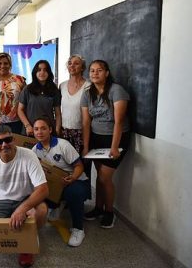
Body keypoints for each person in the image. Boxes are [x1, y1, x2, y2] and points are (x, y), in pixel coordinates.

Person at [0, 125, 48, 267]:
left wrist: (22, 209)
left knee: (40, 212)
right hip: (1, 200)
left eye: (7, 140)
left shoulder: (29, 155)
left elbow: (43, 189)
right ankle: (19, 229)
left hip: (26, 198)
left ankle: (28, 244)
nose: (4, 145)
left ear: (14, 139)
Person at [81, 60, 130, 229]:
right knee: (99, 177)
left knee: (104, 177)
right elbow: (86, 122)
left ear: (107, 73)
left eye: (99, 70)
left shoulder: (117, 91)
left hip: (116, 138)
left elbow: (119, 121)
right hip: (96, 137)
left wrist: (115, 147)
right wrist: (86, 146)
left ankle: (109, 212)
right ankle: (98, 208)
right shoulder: (87, 93)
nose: (95, 73)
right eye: (92, 71)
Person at [32, 116, 90, 247]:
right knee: (36, 189)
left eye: (43, 128)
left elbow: (79, 166)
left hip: (77, 180)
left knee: (73, 192)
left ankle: (78, 229)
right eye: (36, 129)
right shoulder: (35, 150)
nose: (39, 132)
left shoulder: (62, 145)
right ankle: (56, 205)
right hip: (56, 183)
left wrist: (73, 178)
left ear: (50, 130)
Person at [0, 52, 26, 134]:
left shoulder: (20, 80)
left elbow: (25, 102)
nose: (2, 66)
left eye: (5, 63)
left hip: (17, 123)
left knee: (17, 146)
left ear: (10, 65)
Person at [17, 60, 62, 137]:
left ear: (49, 73)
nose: (42, 72)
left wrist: (57, 129)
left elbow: (58, 113)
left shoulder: (54, 89)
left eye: (45, 70)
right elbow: (20, 110)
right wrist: (27, 126)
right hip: (30, 130)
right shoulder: (27, 89)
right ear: (35, 72)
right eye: (39, 70)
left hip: (48, 131)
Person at [59, 55, 91, 154]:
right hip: (64, 132)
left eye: (76, 63)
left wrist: (86, 145)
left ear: (82, 67)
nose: (72, 66)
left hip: (81, 133)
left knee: (82, 165)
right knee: (65, 166)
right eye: (70, 63)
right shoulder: (62, 85)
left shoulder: (89, 86)